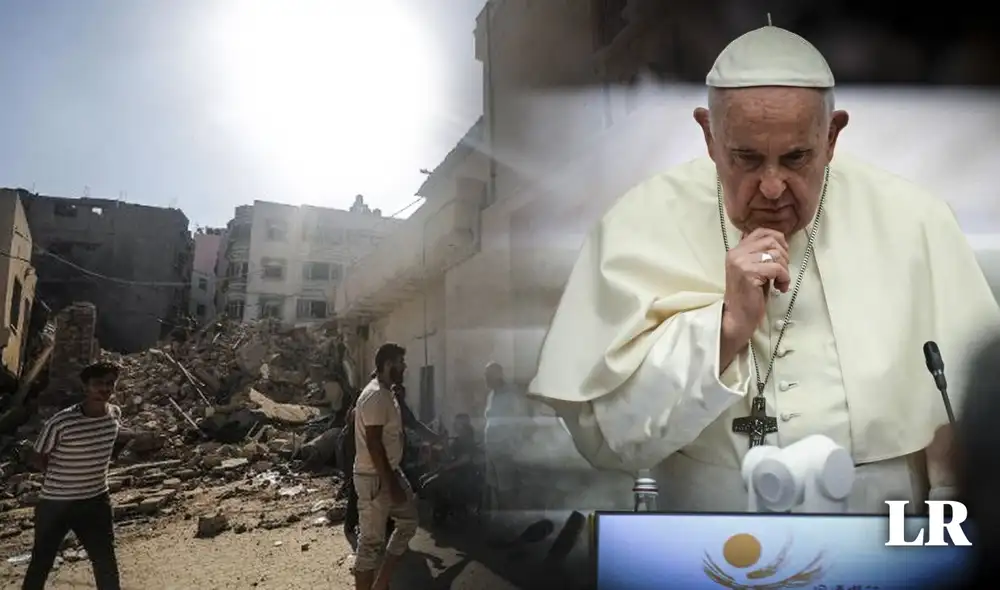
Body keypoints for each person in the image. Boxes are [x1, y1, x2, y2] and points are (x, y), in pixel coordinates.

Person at [527, 25, 1000, 513]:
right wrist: (725, 328)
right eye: (746, 159)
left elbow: (970, 408)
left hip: (880, 516)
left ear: (832, 134)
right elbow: (609, 436)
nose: (772, 187)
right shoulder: (640, 222)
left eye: (796, 158)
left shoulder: (914, 220)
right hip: (708, 526)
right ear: (709, 136)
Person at [21, 361, 123, 590]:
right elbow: (38, 458)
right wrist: (63, 474)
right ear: (86, 387)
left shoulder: (114, 415)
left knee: (105, 561)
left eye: (110, 383)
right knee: (41, 562)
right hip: (56, 504)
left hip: (96, 502)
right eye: (98, 384)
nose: (104, 389)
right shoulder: (61, 422)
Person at [351, 343, 418, 590]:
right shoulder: (376, 395)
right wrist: (390, 484)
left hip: (389, 471)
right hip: (375, 477)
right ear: (389, 365)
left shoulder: (387, 392)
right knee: (370, 542)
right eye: (401, 362)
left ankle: (381, 583)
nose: (405, 367)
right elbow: (373, 443)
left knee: (408, 521)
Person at [483, 362, 534, 511]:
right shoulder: (492, 395)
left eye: (488, 376)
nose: (485, 379)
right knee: (494, 487)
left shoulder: (511, 394)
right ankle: (501, 521)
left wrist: (513, 445)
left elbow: (521, 420)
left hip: (505, 450)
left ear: (497, 375)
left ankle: (510, 522)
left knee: (506, 490)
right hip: (491, 450)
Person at [419, 413, 480, 524]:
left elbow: (465, 459)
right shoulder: (457, 439)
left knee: (430, 484)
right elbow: (449, 456)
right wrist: (445, 444)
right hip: (451, 471)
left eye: (458, 423)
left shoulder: (468, 440)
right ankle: (441, 508)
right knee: (423, 479)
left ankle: (443, 508)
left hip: (462, 474)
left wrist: (448, 467)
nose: (455, 425)